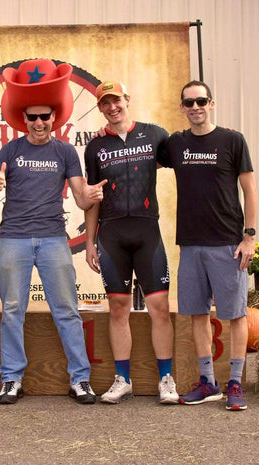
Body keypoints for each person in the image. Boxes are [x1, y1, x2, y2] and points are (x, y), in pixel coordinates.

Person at [0, 59, 106, 405]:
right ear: (24, 119)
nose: (38, 122)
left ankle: (79, 380)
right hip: (14, 239)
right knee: (12, 310)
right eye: (32, 117)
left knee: (67, 310)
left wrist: (92, 195)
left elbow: (82, 200)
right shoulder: (9, 151)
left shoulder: (66, 152)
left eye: (44, 116)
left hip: (53, 239)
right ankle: (11, 379)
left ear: (55, 117)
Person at [157, 80, 258, 411]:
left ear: (211, 103)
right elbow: (145, 156)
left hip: (228, 243)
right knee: (197, 314)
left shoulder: (232, 140)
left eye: (201, 101)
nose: (196, 107)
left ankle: (235, 384)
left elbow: (250, 189)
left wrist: (249, 236)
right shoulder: (175, 144)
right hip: (190, 244)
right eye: (189, 103)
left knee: (236, 314)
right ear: (182, 108)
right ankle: (208, 383)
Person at [84, 81, 177, 404]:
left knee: (159, 308)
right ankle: (122, 379)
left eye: (117, 100)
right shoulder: (95, 147)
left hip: (146, 231)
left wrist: (223, 137)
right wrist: (90, 241)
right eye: (105, 103)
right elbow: (93, 197)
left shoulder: (155, 135)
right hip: (112, 235)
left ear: (128, 100)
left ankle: (166, 377)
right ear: (100, 108)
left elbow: (185, 156)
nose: (112, 107)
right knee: (118, 308)